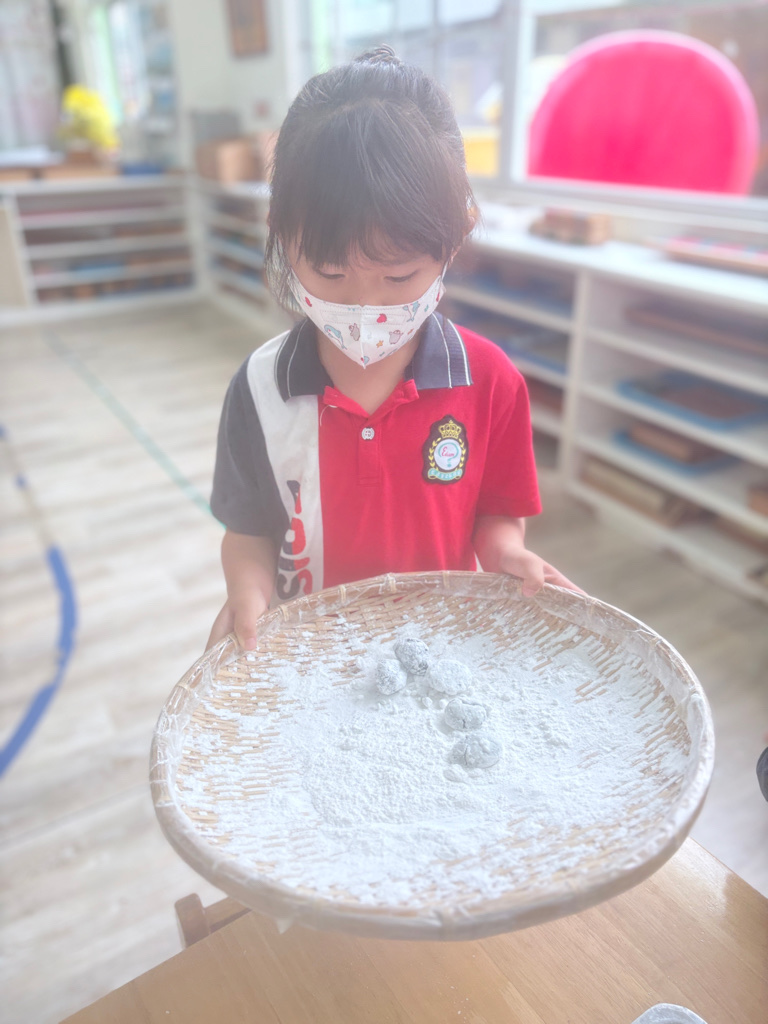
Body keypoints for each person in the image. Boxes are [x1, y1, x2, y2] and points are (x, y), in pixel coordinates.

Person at [206, 45, 580, 652]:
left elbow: (497, 515)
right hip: (312, 647)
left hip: (438, 643)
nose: (363, 305)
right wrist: (248, 593)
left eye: (399, 276)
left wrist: (507, 553)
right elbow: (248, 530)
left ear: (455, 236)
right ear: (279, 231)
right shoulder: (259, 387)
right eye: (329, 272)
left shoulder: (490, 381)